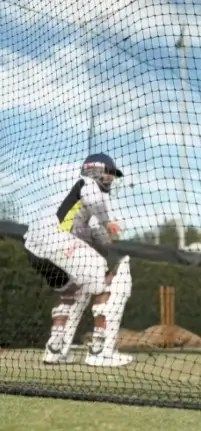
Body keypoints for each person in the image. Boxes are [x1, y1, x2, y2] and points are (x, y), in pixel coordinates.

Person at [24, 153, 134, 367]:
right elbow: (96, 212)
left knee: (71, 290)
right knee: (112, 281)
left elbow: (87, 234)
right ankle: (101, 351)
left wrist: (104, 238)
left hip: (34, 249)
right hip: (57, 241)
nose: (111, 180)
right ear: (96, 171)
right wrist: (110, 225)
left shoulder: (66, 192)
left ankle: (55, 349)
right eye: (109, 174)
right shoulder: (88, 184)